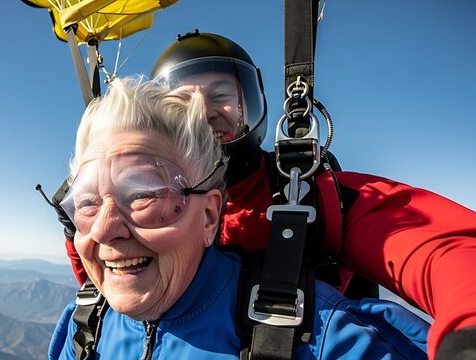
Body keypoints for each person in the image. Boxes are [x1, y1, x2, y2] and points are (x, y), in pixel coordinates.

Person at [53, 31, 476, 359]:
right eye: (182, 101)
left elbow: (436, 244)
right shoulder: (107, 221)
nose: (203, 111)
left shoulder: (305, 191)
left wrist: (466, 330)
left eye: (222, 96)